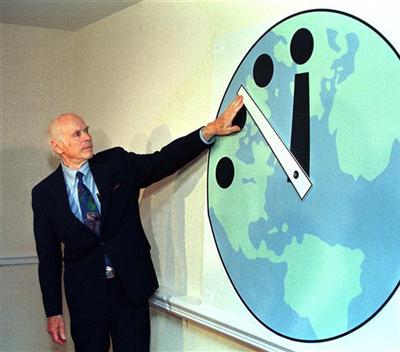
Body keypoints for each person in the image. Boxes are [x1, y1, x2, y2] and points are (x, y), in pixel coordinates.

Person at [31, 95, 243, 351]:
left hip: (129, 290)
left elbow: (161, 161)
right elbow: (49, 257)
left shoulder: (116, 163)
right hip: (86, 298)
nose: (87, 137)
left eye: (86, 130)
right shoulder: (44, 194)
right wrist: (53, 311)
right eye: (77, 134)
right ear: (58, 146)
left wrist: (208, 131)